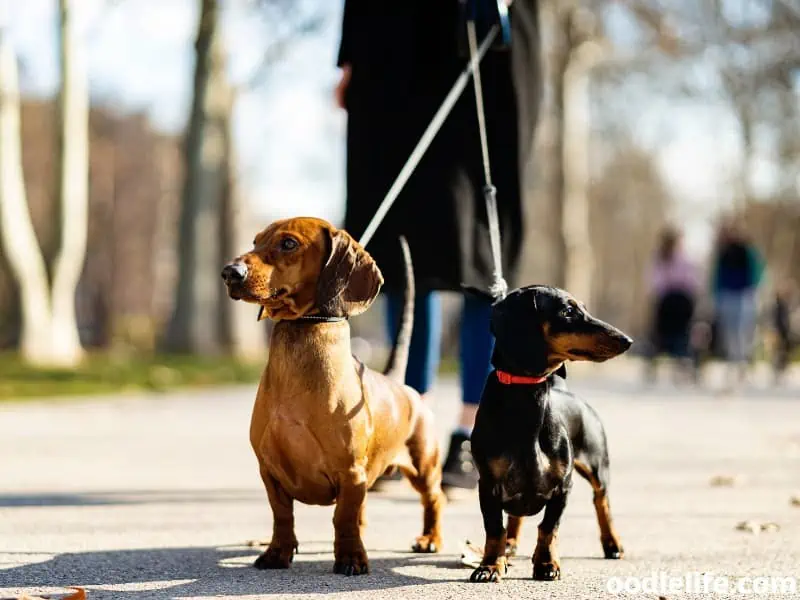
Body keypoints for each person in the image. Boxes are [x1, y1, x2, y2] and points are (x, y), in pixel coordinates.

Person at [334, 1, 542, 490]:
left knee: (483, 250)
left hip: (488, 44)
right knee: (405, 249)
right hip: (396, 48)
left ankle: (473, 434)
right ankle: (406, 427)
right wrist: (350, 56)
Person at [710, 220, 764, 386]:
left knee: (743, 333)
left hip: (744, 296)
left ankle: (743, 365)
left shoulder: (747, 251)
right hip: (727, 296)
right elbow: (717, 277)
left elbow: (757, 273)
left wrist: (754, 292)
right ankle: (733, 364)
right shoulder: (723, 253)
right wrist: (716, 296)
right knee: (729, 333)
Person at [645, 227, 699, 383]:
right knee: (662, 336)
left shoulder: (685, 259)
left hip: (682, 302)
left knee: (682, 336)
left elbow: (692, 281)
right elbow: (654, 282)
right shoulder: (659, 258)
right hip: (667, 302)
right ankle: (658, 364)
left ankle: (683, 365)